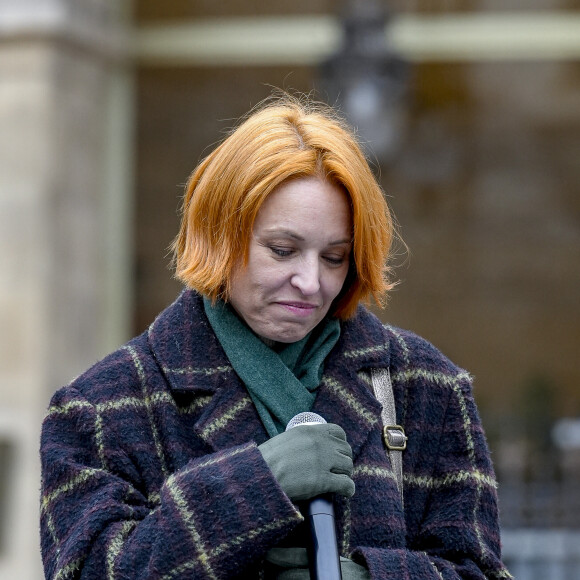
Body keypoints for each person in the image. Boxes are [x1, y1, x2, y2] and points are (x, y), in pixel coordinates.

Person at [40, 94, 511, 580]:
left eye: (334, 257)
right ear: (219, 235)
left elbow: (478, 570)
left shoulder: (425, 384)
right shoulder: (100, 407)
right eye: (283, 250)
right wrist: (254, 485)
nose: (311, 282)